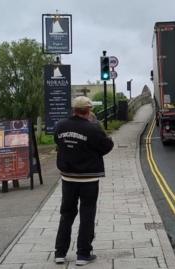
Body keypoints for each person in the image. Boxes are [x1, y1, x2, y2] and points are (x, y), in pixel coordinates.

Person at [53, 96, 114, 266]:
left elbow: (58, 142)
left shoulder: (60, 125)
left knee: (66, 214)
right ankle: (83, 254)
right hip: (89, 178)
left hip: (68, 177)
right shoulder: (93, 128)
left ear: (73, 109)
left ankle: (60, 252)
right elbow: (107, 146)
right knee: (87, 214)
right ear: (88, 110)